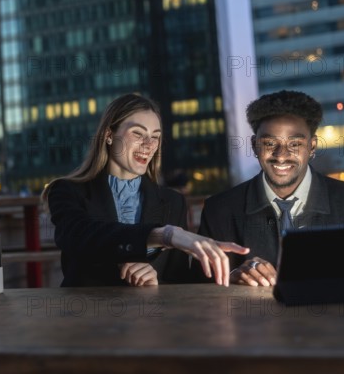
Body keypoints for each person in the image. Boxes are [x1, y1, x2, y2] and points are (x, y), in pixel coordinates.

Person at [197, 90, 344, 286]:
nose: (281, 155)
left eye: (295, 144)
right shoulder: (219, 211)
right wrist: (232, 279)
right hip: (259, 331)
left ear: (312, 147)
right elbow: (197, 291)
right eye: (270, 144)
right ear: (255, 146)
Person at [42, 94, 249, 287]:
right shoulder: (67, 191)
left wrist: (157, 281)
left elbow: (178, 282)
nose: (149, 145)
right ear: (108, 135)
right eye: (138, 133)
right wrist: (164, 235)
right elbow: (80, 237)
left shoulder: (173, 202)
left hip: (151, 320)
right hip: (87, 318)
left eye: (156, 137)